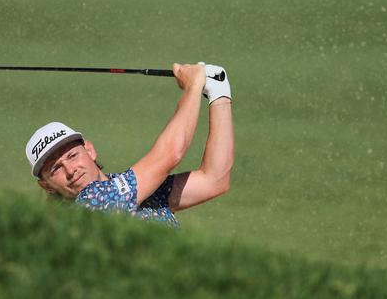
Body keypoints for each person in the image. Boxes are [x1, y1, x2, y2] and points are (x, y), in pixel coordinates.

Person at [25, 62, 233, 227]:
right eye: (56, 169)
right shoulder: (89, 205)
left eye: (72, 156)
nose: (70, 170)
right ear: (46, 186)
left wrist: (219, 95)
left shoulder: (129, 189)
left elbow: (214, 180)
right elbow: (171, 153)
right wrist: (193, 85)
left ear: (89, 150)